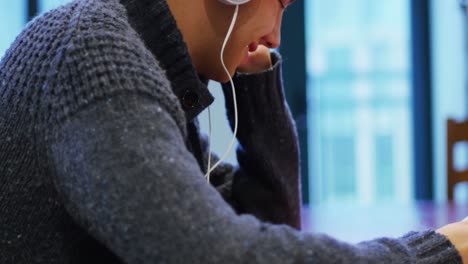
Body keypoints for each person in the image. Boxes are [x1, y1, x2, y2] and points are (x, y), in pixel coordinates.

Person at [0, 0, 466, 262]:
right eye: (280, 5)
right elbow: (222, 255)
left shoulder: (142, 62)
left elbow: (263, 230)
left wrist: (257, 92)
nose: (278, 37)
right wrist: (439, 252)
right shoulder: (91, 52)